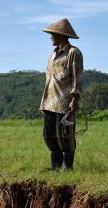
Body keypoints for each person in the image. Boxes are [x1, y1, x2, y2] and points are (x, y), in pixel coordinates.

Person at [39, 18, 83, 171]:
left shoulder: (73, 53)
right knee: (50, 135)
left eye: (53, 34)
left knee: (65, 135)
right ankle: (55, 166)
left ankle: (68, 167)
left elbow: (77, 78)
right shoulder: (52, 54)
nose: (50, 37)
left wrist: (74, 99)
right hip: (49, 101)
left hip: (65, 102)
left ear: (61, 36)